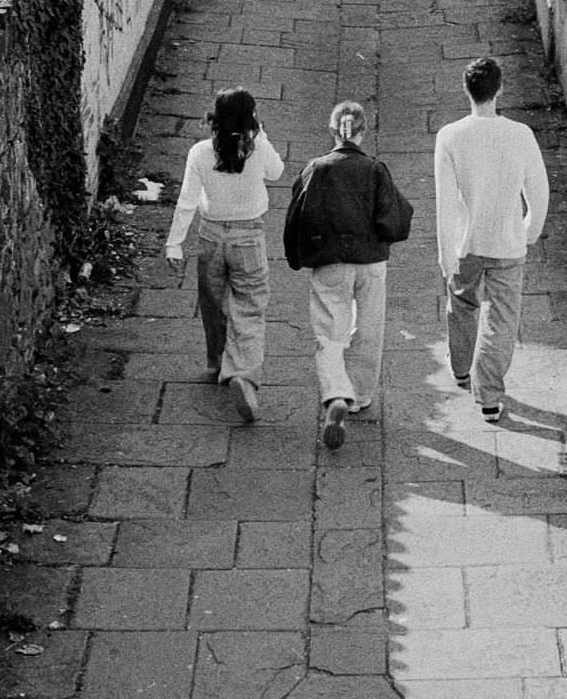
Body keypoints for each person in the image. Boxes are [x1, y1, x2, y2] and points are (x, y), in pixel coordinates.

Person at [283, 101, 413, 450]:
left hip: (330, 263)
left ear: (332, 130)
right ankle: (359, 396)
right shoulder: (375, 170)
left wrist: (297, 256)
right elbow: (394, 220)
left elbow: (295, 216)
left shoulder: (316, 168)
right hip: (370, 262)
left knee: (330, 334)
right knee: (369, 328)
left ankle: (336, 392)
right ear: (363, 131)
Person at [434, 56, 549, 423]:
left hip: (467, 243)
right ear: (499, 90)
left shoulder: (449, 136)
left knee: (462, 304)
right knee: (501, 319)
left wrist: (446, 254)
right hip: (507, 244)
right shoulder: (520, 134)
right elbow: (540, 192)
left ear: (466, 91)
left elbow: (445, 202)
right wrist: (528, 231)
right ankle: (489, 396)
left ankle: (461, 369)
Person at [166, 87, 283, 423]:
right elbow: (277, 171)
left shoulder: (200, 152)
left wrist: (174, 243)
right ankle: (243, 375)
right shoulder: (257, 148)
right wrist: (261, 134)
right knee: (249, 306)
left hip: (210, 236)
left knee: (213, 302)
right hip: (249, 236)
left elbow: (187, 200)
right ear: (251, 118)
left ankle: (219, 362)